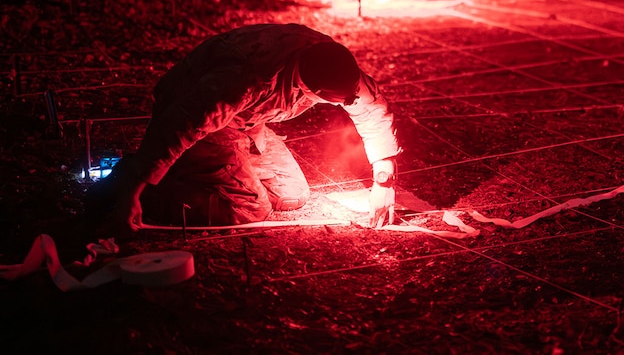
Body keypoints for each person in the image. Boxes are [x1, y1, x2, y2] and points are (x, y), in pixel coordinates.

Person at [97, 24, 400, 230]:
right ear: (311, 91)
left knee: (293, 194)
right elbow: (182, 124)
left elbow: (372, 107)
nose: (349, 103)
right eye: (339, 101)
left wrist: (384, 181)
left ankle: (211, 172)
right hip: (202, 121)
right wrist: (133, 191)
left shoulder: (331, 61)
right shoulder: (247, 80)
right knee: (250, 210)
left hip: (248, 123)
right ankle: (140, 183)